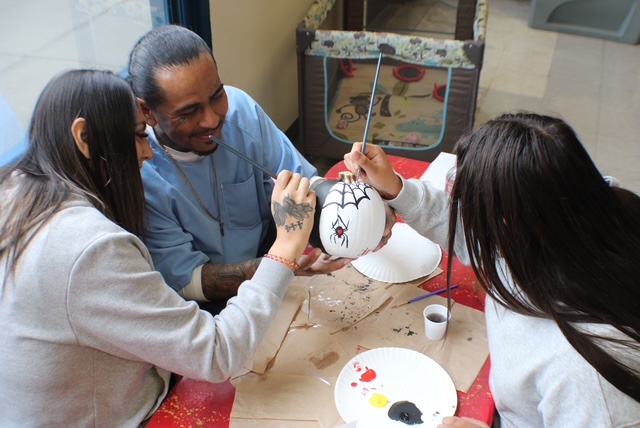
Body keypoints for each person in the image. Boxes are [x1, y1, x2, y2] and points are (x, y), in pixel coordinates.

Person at [0, 69, 316, 426]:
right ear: (84, 137)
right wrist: (287, 246)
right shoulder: (87, 250)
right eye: (137, 136)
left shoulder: (16, 189)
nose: (148, 153)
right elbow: (215, 353)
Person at [343, 112, 640, 427]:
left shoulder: (588, 380)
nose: (467, 223)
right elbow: (473, 237)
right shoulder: (565, 218)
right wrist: (395, 188)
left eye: (471, 210)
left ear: (506, 224)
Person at [127, 24, 360, 304]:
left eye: (216, 96)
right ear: (146, 112)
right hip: (207, 308)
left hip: (275, 259)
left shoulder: (240, 111)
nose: (211, 120)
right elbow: (187, 281)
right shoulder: (143, 174)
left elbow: (306, 184)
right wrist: (282, 263)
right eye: (188, 113)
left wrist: (355, 204)